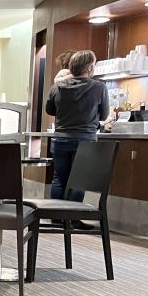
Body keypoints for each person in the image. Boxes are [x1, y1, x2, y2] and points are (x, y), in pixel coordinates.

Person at [45, 50, 109, 208]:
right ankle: (73, 218)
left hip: (60, 139)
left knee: (59, 179)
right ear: (89, 68)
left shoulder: (57, 87)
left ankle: (56, 216)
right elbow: (104, 115)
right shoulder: (99, 88)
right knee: (79, 180)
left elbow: (50, 110)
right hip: (85, 140)